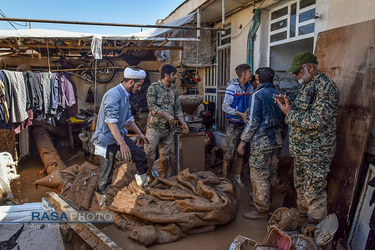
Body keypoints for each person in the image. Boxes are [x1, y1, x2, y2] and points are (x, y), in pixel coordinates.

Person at [275, 51, 339, 225]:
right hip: (302, 152)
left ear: (310, 67)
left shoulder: (326, 88)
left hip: (316, 154)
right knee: (301, 189)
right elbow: (303, 111)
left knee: (314, 193)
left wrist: (289, 114)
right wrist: (288, 104)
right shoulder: (306, 86)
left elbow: (317, 120)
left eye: (297, 72)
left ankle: (315, 232)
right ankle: (303, 225)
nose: (295, 75)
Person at [91, 67, 149, 208]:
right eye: (138, 85)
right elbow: (111, 122)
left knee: (140, 156)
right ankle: (101, 195)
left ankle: (143, 185)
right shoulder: (113, 95)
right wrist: (122, 144)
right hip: (106, 138)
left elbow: (129, 119)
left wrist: (140, 133)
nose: (139, 88)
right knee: (107, 170)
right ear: (130, 81)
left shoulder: (125, 95)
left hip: (119, 135)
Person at [237, 67, 286, 220]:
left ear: (257, 80)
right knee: (271, 173)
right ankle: (266, 200)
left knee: (259, 176)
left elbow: (252, 122)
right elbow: (286, 120)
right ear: (273, 80)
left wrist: (243, 141)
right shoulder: (280, 95)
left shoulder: (257, 95)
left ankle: (261, 210)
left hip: (261, 142)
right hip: (277, 141)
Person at [145, 64, 189, 178]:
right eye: (174, 74)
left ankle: (163, 178)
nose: (176, 77)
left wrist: (183, 123)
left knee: (165, 155)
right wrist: (166, 114)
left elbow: (178, 108)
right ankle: (147, 178)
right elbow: (151, 106)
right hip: (154, 127)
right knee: (149, 153)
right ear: (166, 75)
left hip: (168, 128)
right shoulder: (153, 87)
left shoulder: (174, 89)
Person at [222, 64, 253, 187]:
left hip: (245, 125)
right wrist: (240, 114)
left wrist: (247, 114)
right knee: (230, 151)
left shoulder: (250, 88)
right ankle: (224, 177)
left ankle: (237, 177)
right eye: (250, 71)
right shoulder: (232, 87)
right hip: (234, 124)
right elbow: (225, 107)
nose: (252, 73)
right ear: (244, 74)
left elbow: (251, 104)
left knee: (241, 151)